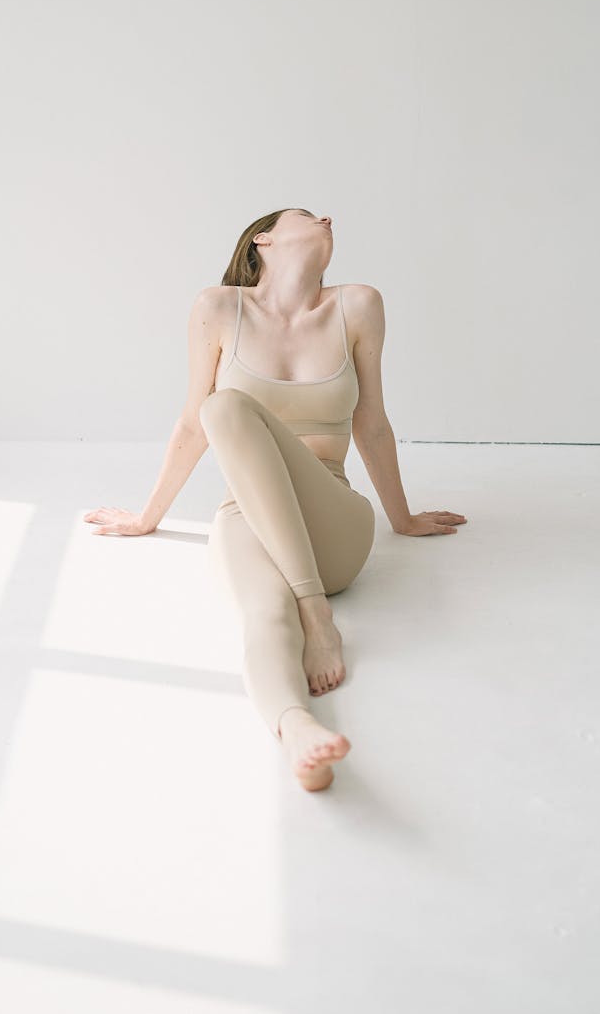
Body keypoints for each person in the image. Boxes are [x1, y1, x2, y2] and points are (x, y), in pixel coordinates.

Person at [84, 208, 467, 793]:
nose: (328, 218)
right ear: (262, 238)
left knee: (226, 406)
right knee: (262, 612)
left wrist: (403, 518)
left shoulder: (357, 305)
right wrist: (146, 518)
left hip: (335, 520)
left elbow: (371, 422)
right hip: (249, 518)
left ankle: (317, 613)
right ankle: (298, 733)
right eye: (309, 215)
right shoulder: (218, 308)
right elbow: (192, 424)